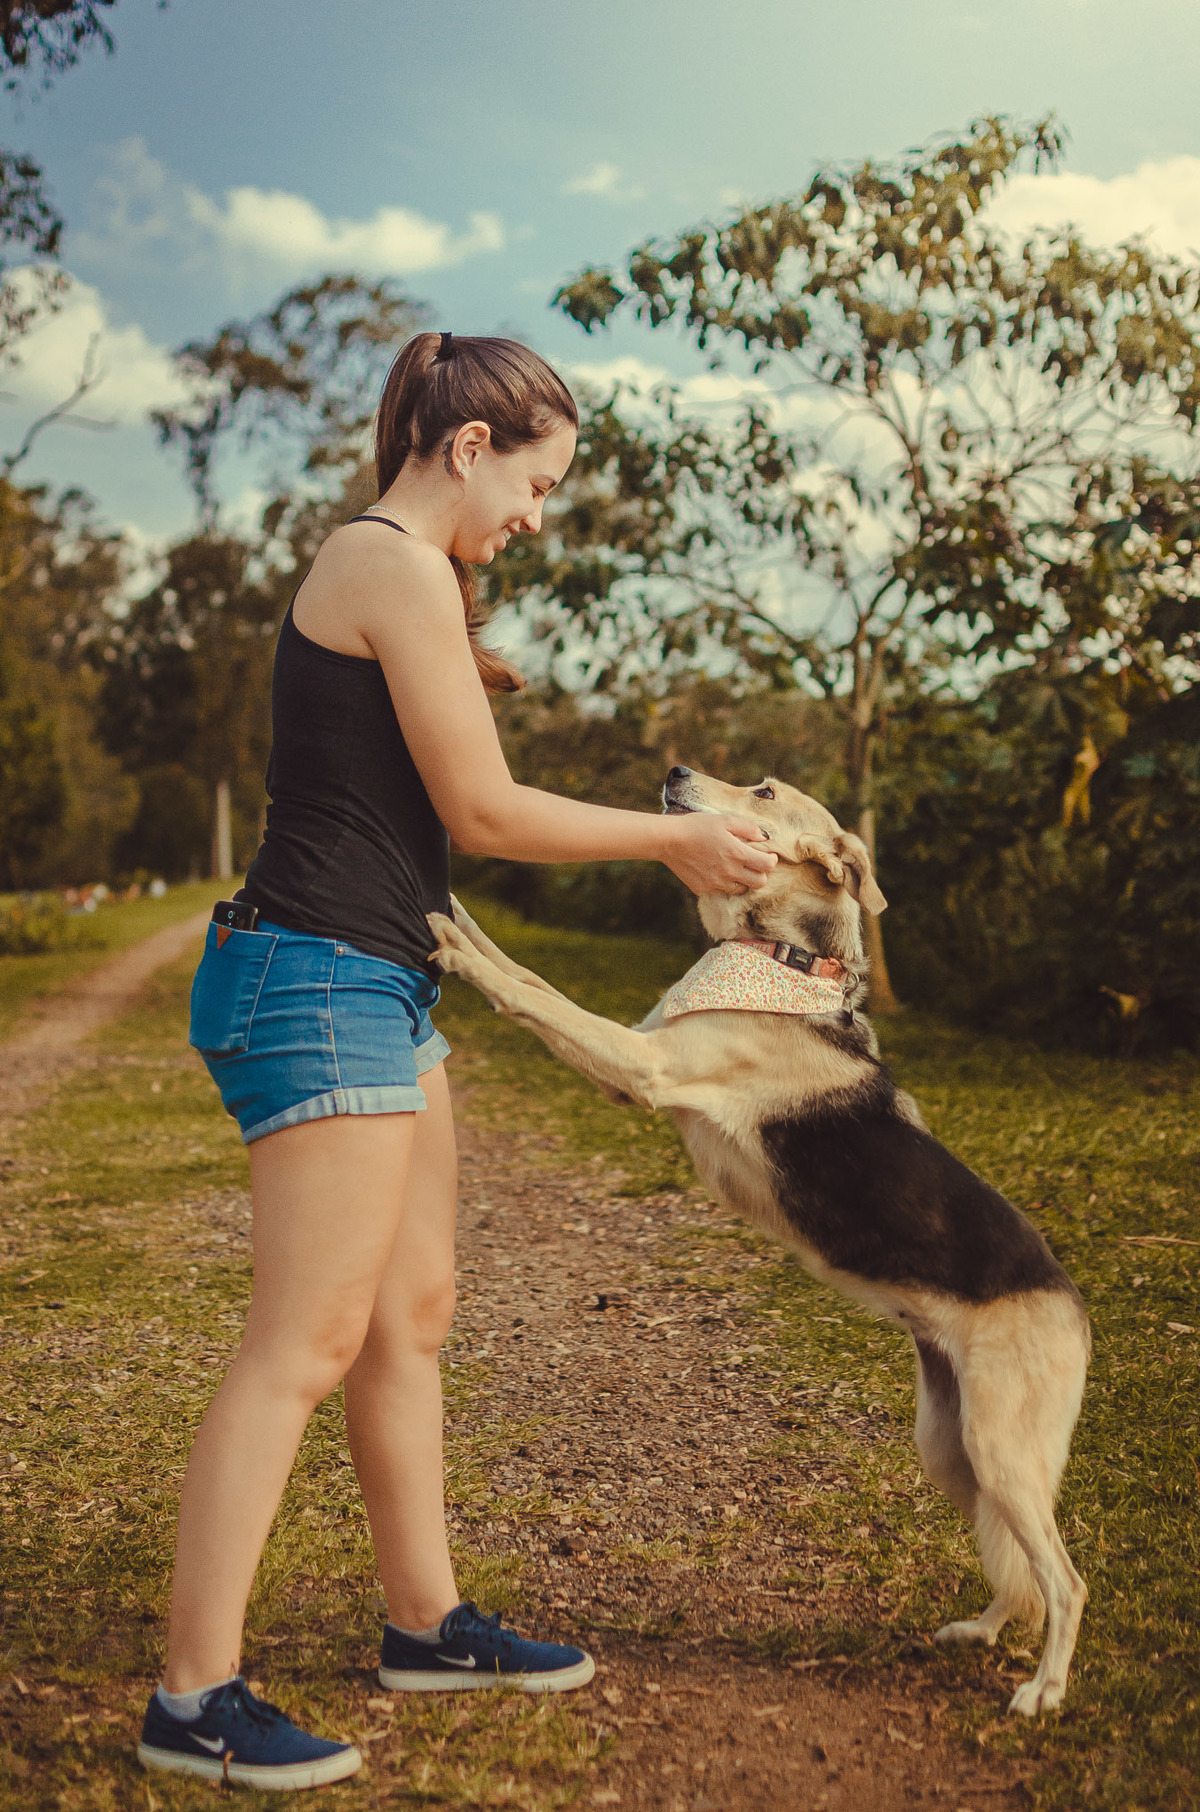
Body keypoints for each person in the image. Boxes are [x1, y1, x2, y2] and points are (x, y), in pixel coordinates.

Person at [137, 331, 777, 1790]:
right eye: (538, 485)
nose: (538, 518)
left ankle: (424, 1625)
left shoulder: (406, 570)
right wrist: (672, 838)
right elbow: (482, 809)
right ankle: (192, 1699)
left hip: (383, 975)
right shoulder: (388, 563)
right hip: (316, 975)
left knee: (408, 1315)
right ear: (470, 446)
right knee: (303, 1343)